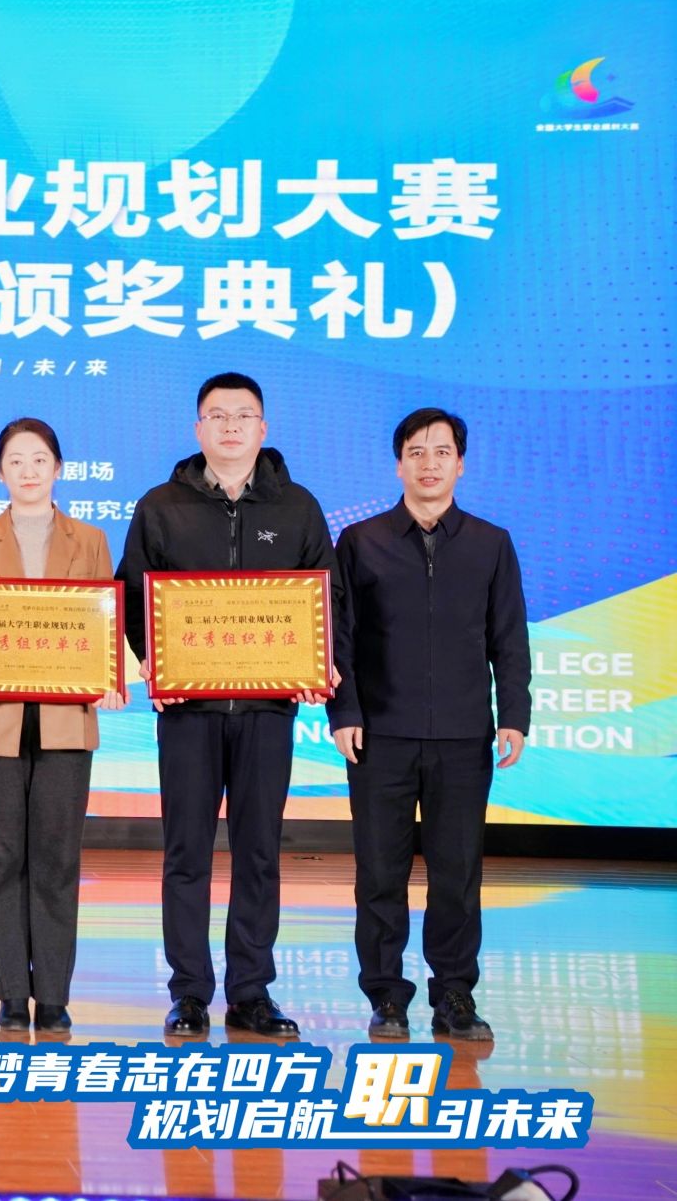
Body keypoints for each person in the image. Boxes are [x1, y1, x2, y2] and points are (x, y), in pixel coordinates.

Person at [117, 371, 337, 1040]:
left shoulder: (298, 507)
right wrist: (154, 663)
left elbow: (326, 596)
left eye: (243, 415)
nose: (231, 426)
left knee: (259, 851)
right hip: (189, 711)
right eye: (218, 415)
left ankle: (251, 991)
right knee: (186, 852)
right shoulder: (161, 506)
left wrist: (317, 660)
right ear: (199, 428)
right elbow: (133, 597)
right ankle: (189, 993)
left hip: (268, 711)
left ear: (263, 428)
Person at [331, 408, 530, 1042]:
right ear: (398, 465)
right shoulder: (360, 541)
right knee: (379, 874)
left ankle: (455, 996)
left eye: (441, 452)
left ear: (460, 464)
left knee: (457, 874)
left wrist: (514, 716)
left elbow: (509, 637)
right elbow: (341, 638)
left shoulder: (490, 542)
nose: (429, 463)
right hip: (380, 735)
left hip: (465, 735)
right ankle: (386, 997)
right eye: (416, 452)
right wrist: (344, 712)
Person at [0, 417, 125, 1034]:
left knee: (56, 859)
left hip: (66, 720)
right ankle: (10, 992)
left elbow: (102, 621)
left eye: (39, 459)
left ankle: (52, 994)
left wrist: (108, 677)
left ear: (59, 468)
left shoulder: (90, 540)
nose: (28, 470)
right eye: (16, 460)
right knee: (0, 860)